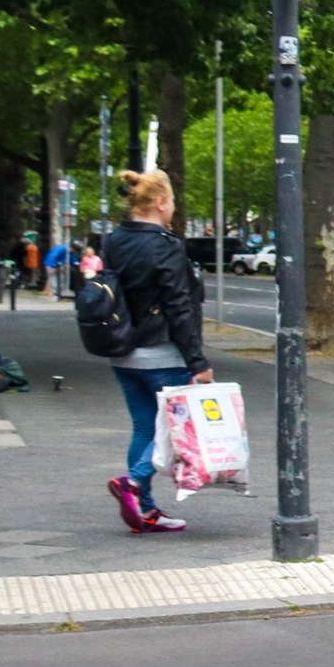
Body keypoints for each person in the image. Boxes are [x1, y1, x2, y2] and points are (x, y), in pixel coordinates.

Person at [98, 168, 213, 532]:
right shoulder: (165, 245)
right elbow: (179, 307)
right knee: (175, 431)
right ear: (160, 201)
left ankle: (145, 509)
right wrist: (197, 361)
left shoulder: (114, 241)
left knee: (145, 430)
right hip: (163, 354)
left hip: (124, 352)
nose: (174, 209)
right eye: (173, 202)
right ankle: (132, 483)